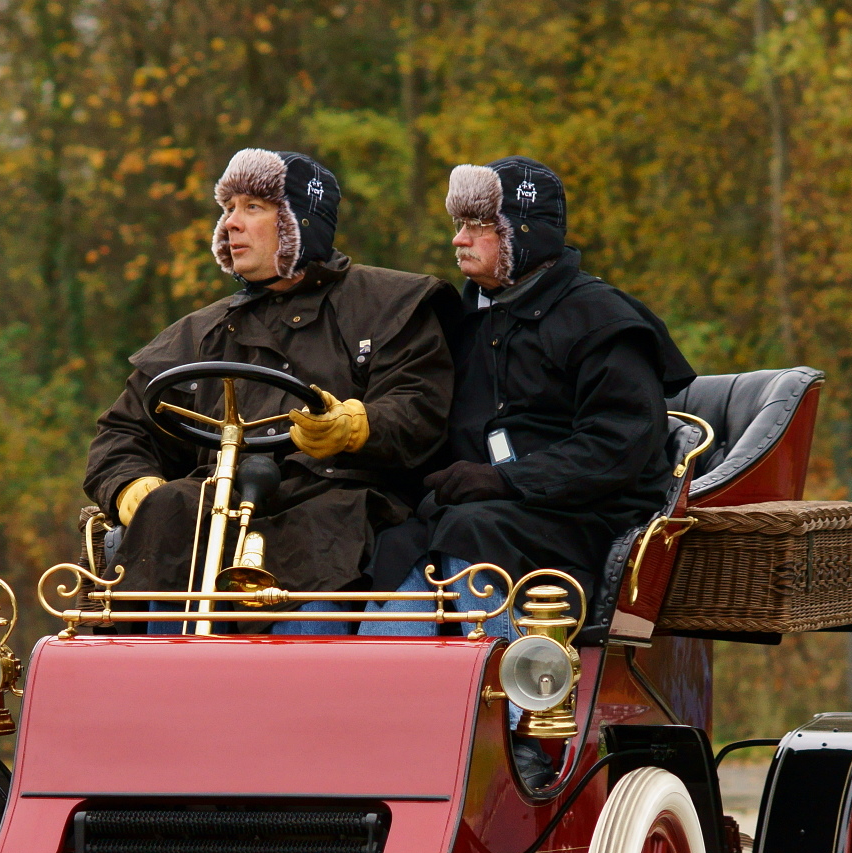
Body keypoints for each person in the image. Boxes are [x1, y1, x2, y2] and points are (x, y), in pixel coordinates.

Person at [83, 148, 460, 633]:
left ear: (298, 221)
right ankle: (159, 693)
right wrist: (132, 486)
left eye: (252, 208)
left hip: (333, 522)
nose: (230, 224)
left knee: (312, 599)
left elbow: (420, 408)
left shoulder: (391, 304)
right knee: (169, 515)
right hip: (204, 527)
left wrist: (356, 426)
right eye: (227, 208)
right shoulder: (199, 333)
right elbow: (121, 434)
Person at [362, 157, 696, 639]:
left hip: (590, 521)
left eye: (479, 226)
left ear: (524, 232)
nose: (459, 239)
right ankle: (390, 701)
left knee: (470, 531)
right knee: (395, 544)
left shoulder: (601, 319)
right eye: (460, 225)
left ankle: (518, 701)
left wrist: (506, 480)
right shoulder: (464, 321)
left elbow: (619, 446)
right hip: (486, 516)